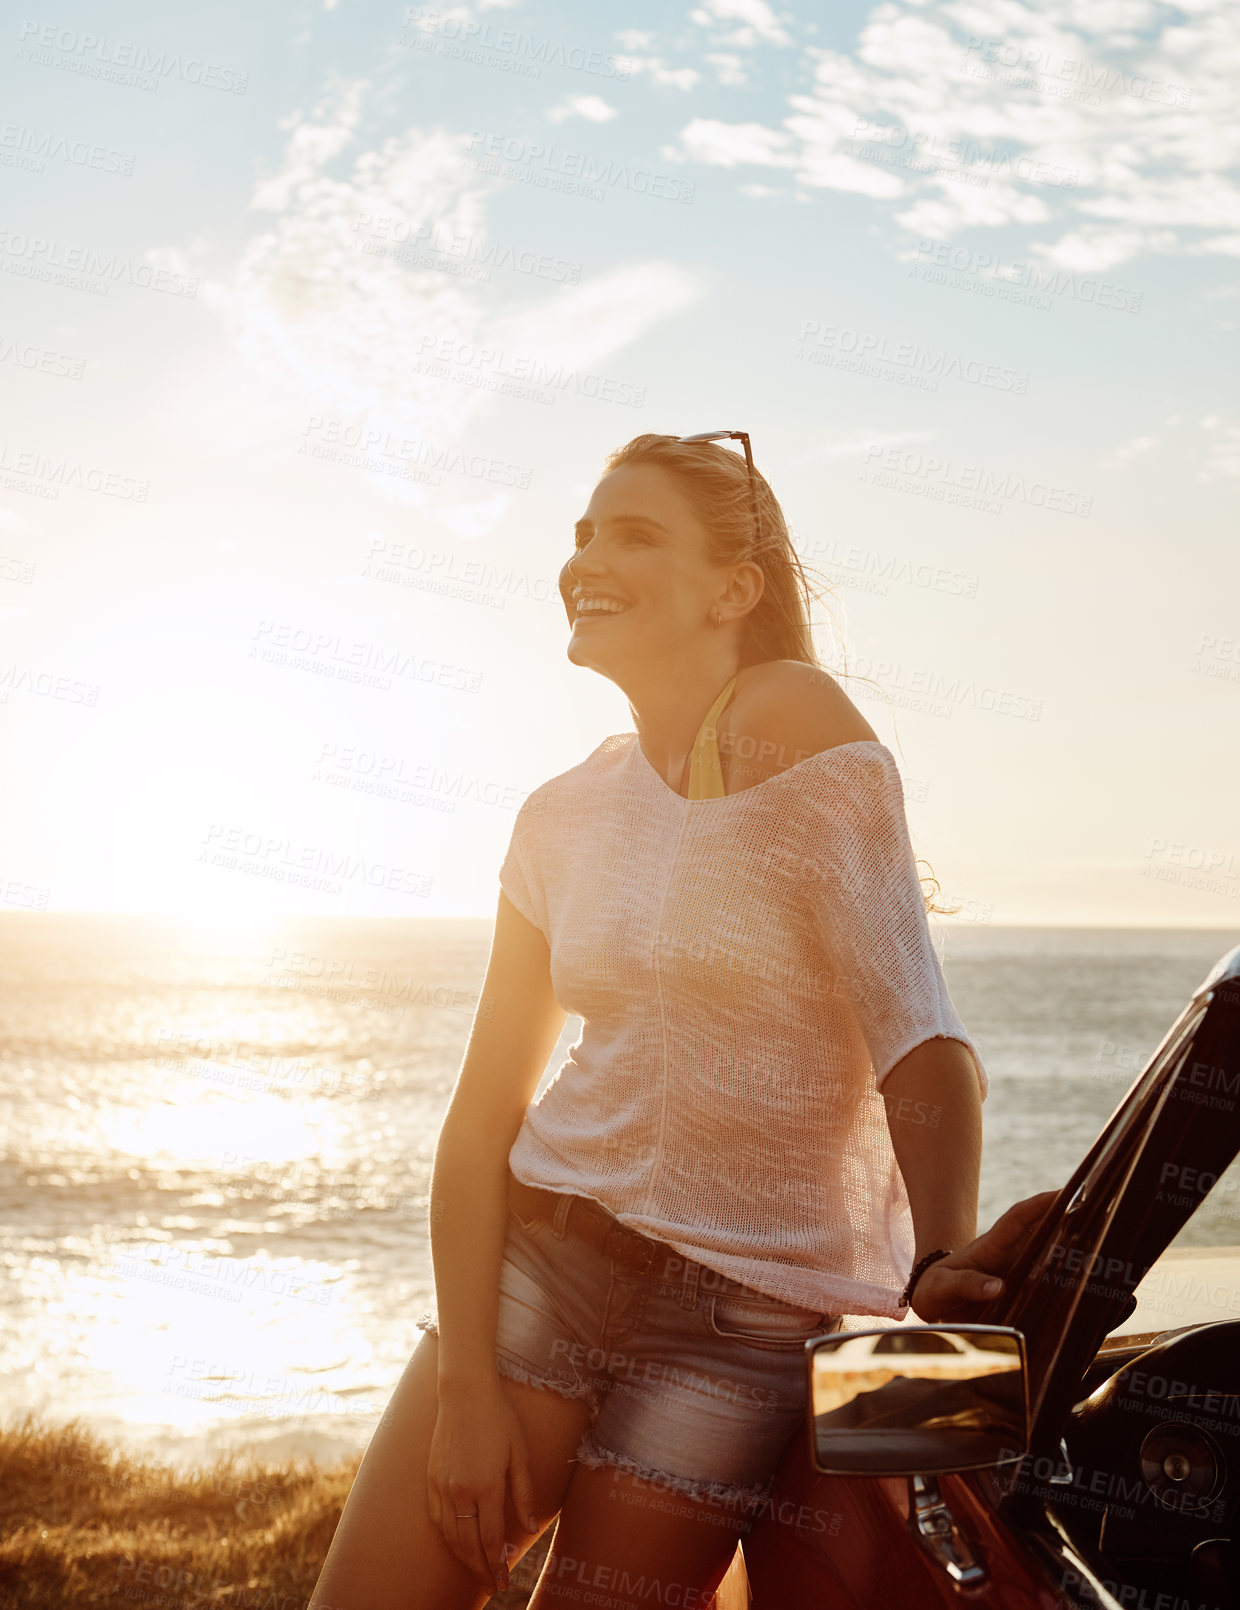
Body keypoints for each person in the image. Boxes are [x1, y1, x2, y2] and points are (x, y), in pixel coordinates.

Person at [308, 433, 1058, 1610]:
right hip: (542, 1257)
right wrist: (464, 1386)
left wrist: (933, 1270)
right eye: (583, 533)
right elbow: (478, 1122)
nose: (587, 557)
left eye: (634, 532)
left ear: (735, 588)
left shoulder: (798, 721)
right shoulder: (560, 812)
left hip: (742, 1324)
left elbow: (924, 1042)